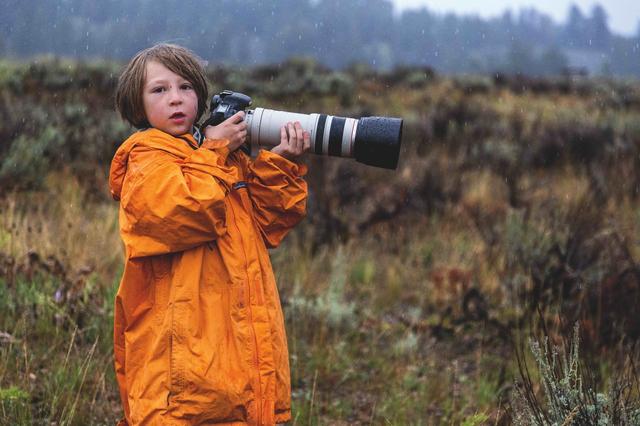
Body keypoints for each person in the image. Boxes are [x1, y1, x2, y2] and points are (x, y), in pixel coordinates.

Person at [108, 43, 310, 425]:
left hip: (239, 340)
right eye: (159, 90)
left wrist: (282, 162)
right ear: (137, 104)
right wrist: (214, 151)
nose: (176, 99)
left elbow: (269, 222)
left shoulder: (220, 157)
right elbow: (182, 212)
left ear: (201, 95)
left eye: (185, 87)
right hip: (184, 363)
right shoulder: (146, 157)